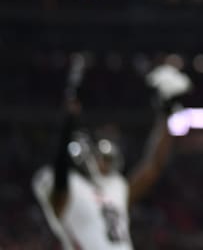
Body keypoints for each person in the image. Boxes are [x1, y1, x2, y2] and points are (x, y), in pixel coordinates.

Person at [32, 60, 192, 250]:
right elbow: (60, 175)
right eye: (103, 158)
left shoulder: (114, 187)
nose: (107, 163)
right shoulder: (69, 189)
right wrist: (68, 125)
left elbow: (154, 165)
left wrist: (166, 112)